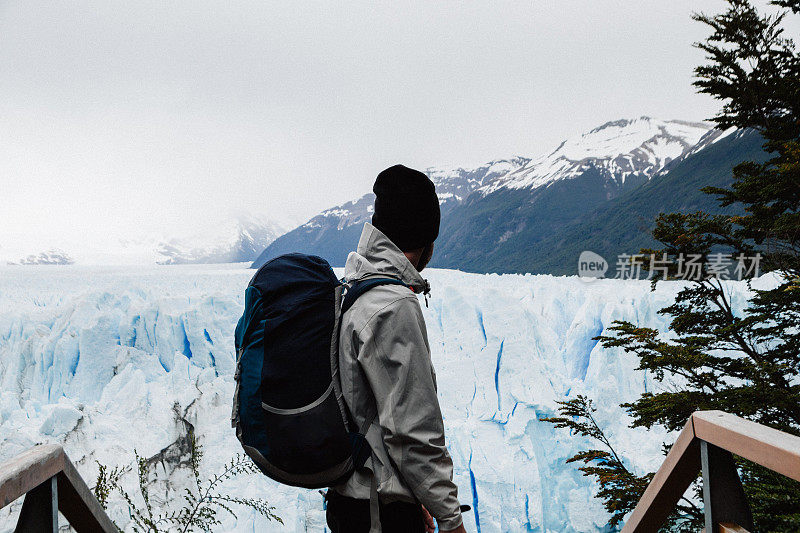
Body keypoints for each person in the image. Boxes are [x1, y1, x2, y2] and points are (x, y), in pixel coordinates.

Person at [327, 165, 466, 533]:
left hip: (352, 500)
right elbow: (413, 433)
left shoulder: (353, 289)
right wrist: (451, 520)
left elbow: (367, 413)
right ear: (427, 242)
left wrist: (412, 497)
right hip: (378, 514)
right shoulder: (393, 307)